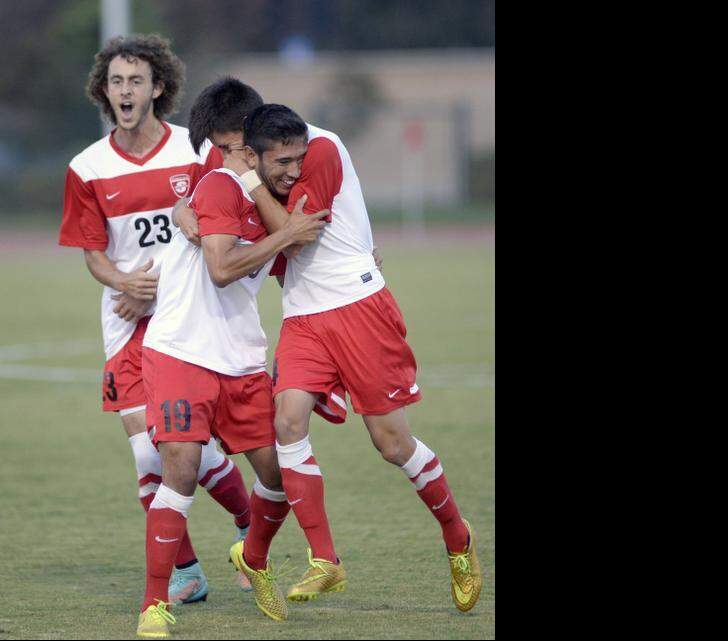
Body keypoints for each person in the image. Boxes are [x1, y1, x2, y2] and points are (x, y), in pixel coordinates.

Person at [178, 81, 483, 612]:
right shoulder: (243, 159)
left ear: (254, 138)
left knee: (391, 444)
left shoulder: (317, 150)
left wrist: (249, 184)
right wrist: (191, 217)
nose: (225, 160)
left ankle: (458, 539)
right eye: (223, 151)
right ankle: (325, 560)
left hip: (359, 308)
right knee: (287, 421)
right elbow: (190, 207)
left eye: (231, 148)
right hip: (302, 314)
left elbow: (296, 235)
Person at [56, 34, 253, 606]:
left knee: (182, 446)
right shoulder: (86, 167)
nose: (125, 90)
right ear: (104, 90)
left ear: (157, 87)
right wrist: (125, 283)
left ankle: (246, 526)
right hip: (124, 319)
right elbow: (94, 252)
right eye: (116, 81)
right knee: (150, 451)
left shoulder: (193, 154)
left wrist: (160, 284)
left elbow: (219, 218)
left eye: (135, 80)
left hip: (186, 312)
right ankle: (189, 571)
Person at [134, 108, 329, 637]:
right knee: (181, 465)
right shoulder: (220, 186)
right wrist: (286, 235)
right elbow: (221, 270)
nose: (286, 167)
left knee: (278, 478)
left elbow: (309, 264)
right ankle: (155, 603)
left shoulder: (276, 199)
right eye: (230, 147)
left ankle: (254, 557)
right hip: (181, 352)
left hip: (240, 358)